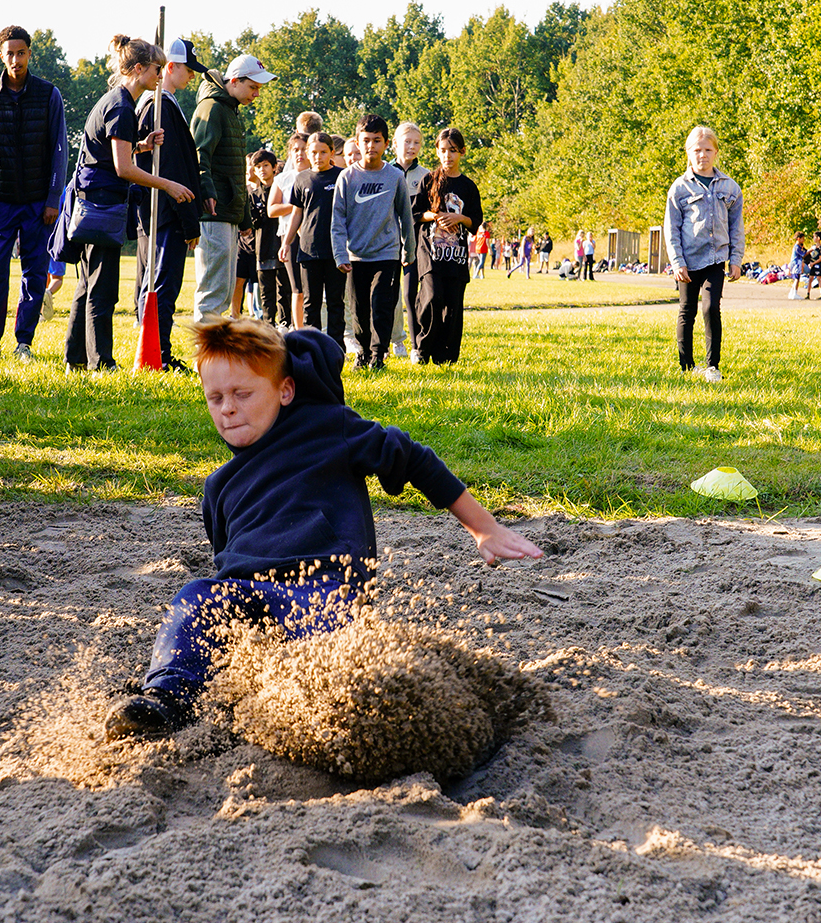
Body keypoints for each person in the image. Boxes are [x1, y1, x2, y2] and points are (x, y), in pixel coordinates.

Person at [102, 317, 543, 740]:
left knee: (333, 669)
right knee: (195, 597)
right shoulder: (218, 486)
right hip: (250, 599)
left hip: (323, 591)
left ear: (286, 390)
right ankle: (165, 698)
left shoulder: (329, 430)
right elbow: (227, 555)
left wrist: (483, 528)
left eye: (242, 393)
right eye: (215, 398)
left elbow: (412, 457)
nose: (229, 408)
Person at [59, 35, 192, 370]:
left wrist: (142, 145)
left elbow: (110, 153)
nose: (160, 75)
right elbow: (123, 168)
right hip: (102, 205)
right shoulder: (121, 106)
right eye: (156, 69)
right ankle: (100, 362)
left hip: (93, 199)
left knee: (87, 285)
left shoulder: (115, 101)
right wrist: (169, 185)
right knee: (102, 289)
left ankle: (75, 359)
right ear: (137, 69)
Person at [0, 25, 66, 362]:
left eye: (21, 52)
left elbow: (59, 150)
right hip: (0, 203)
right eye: (9, 53)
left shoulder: (49, 94)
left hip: (39, 203)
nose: (15, 59)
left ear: (29, 54)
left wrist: (54, 199)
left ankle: (24, 341)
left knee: (34, 273)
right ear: (1, 56)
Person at [133, 38, 205, 370]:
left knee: (159, 283)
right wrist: (190, 221)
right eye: (188, 70)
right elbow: (173, 168)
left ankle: (157, 350)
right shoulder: (158, 106)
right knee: (161, 284)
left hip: (161, 210)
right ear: (171, 68)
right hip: (165, 211)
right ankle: (156, 354)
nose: (191, 77)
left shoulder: (166, 105)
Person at [191, 54, 274, 320]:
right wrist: (207, 194)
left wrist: (244, 217)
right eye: (253, 87)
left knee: (223, 292)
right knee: (212, 291)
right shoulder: (212, 108)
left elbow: (237, 172)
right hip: (214, 212)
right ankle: (205, 359)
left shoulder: (230, 110)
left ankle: (213, 356)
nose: (257, 94)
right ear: (235, 81)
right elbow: (199, 155)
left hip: (228, 214)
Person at [331, 114, 416, 371]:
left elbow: (405, 215)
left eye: (376, 141)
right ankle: (363, 353)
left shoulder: (394, 177)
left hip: (387, 254)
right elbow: (337, 220)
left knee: (381, 305)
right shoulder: (346, 178)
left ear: (386, 143)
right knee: (359, 311)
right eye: (366, 141)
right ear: (357, 142)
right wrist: (340, 255)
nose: (371, 146)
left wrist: (408, 250)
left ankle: (378, 356)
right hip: (356, 256)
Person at [665, 125, 743, 383]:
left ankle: (712, 366)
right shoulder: (679, 189)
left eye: (708, 150)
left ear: (716, 152)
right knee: (687, 311)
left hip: (715, 259)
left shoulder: (730, 187)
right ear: (688, 153)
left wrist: (735, 259)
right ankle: (687, 365)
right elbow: (672, 229)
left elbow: (736, 227)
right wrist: (677, 262)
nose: (702, 155)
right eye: (697, 150)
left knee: (711, 307)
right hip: (687, 262)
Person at [413, 127, 483, 365]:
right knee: (431, 298)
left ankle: (446, 357)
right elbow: (415, 214)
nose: (447, 156)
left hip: (456, 255)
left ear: (462, 152)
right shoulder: (428, 180)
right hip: (430, 252)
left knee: (452, 307)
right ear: (437, 152)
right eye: (443, 151)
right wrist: (434, 216)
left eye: (452, 151)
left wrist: (459, 219)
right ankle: (422, 350)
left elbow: (476, 219)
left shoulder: (468, 186)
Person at [279, 132, 342, 337]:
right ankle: (312, 346)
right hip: (308, 250)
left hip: (336, 250)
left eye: (323, 152)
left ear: (331, 152)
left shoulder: (342, 176)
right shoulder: (302, 179)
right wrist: (286, 242)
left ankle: (336, 347)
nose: (318, 156)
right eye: (313, 152)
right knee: (310, 302)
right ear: (307, 153)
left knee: (335, 302)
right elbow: (296, 212)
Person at [266, 131, 309, 328]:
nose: (300, 154)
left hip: (313, 235)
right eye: (295, 150)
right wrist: (298, 205)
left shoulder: (319, 176)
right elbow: (272, 209)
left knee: (314, 288)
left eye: (304, 149)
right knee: (297, 288)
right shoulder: (283, 179)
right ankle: (298, 330)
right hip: (289, 237)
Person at [392, 120, 426, 356]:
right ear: (394, 144)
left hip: (415, 246)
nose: (412, 147)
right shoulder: (385, 172)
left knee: (410, 294)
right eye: (407, 142)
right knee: (386, 296)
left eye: (417, 143)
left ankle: (416, 346)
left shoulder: (426, 176)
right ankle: (388, 343)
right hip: (386, 244)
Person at [248, 149, 290, 327]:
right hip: (262, 248)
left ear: (274, 167)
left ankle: (285, 325)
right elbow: (253, 222)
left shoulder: (282, 191)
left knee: (284, 291)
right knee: (266, 293)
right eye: (258, 167)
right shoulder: (253, 195)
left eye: (265, 165)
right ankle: (267, 326)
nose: (262, 170)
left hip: (281, 245)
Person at [803, 232, 821, 299]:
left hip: (818, 265)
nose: (813, 238)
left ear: (818, 238)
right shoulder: (813, 246)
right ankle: (808, 294)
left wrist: (813, 263)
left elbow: (820, 258)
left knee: (818, 278)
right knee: (810, 279)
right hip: (812, 265)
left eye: (815, 237)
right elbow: (808, 253)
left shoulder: (820, 248)